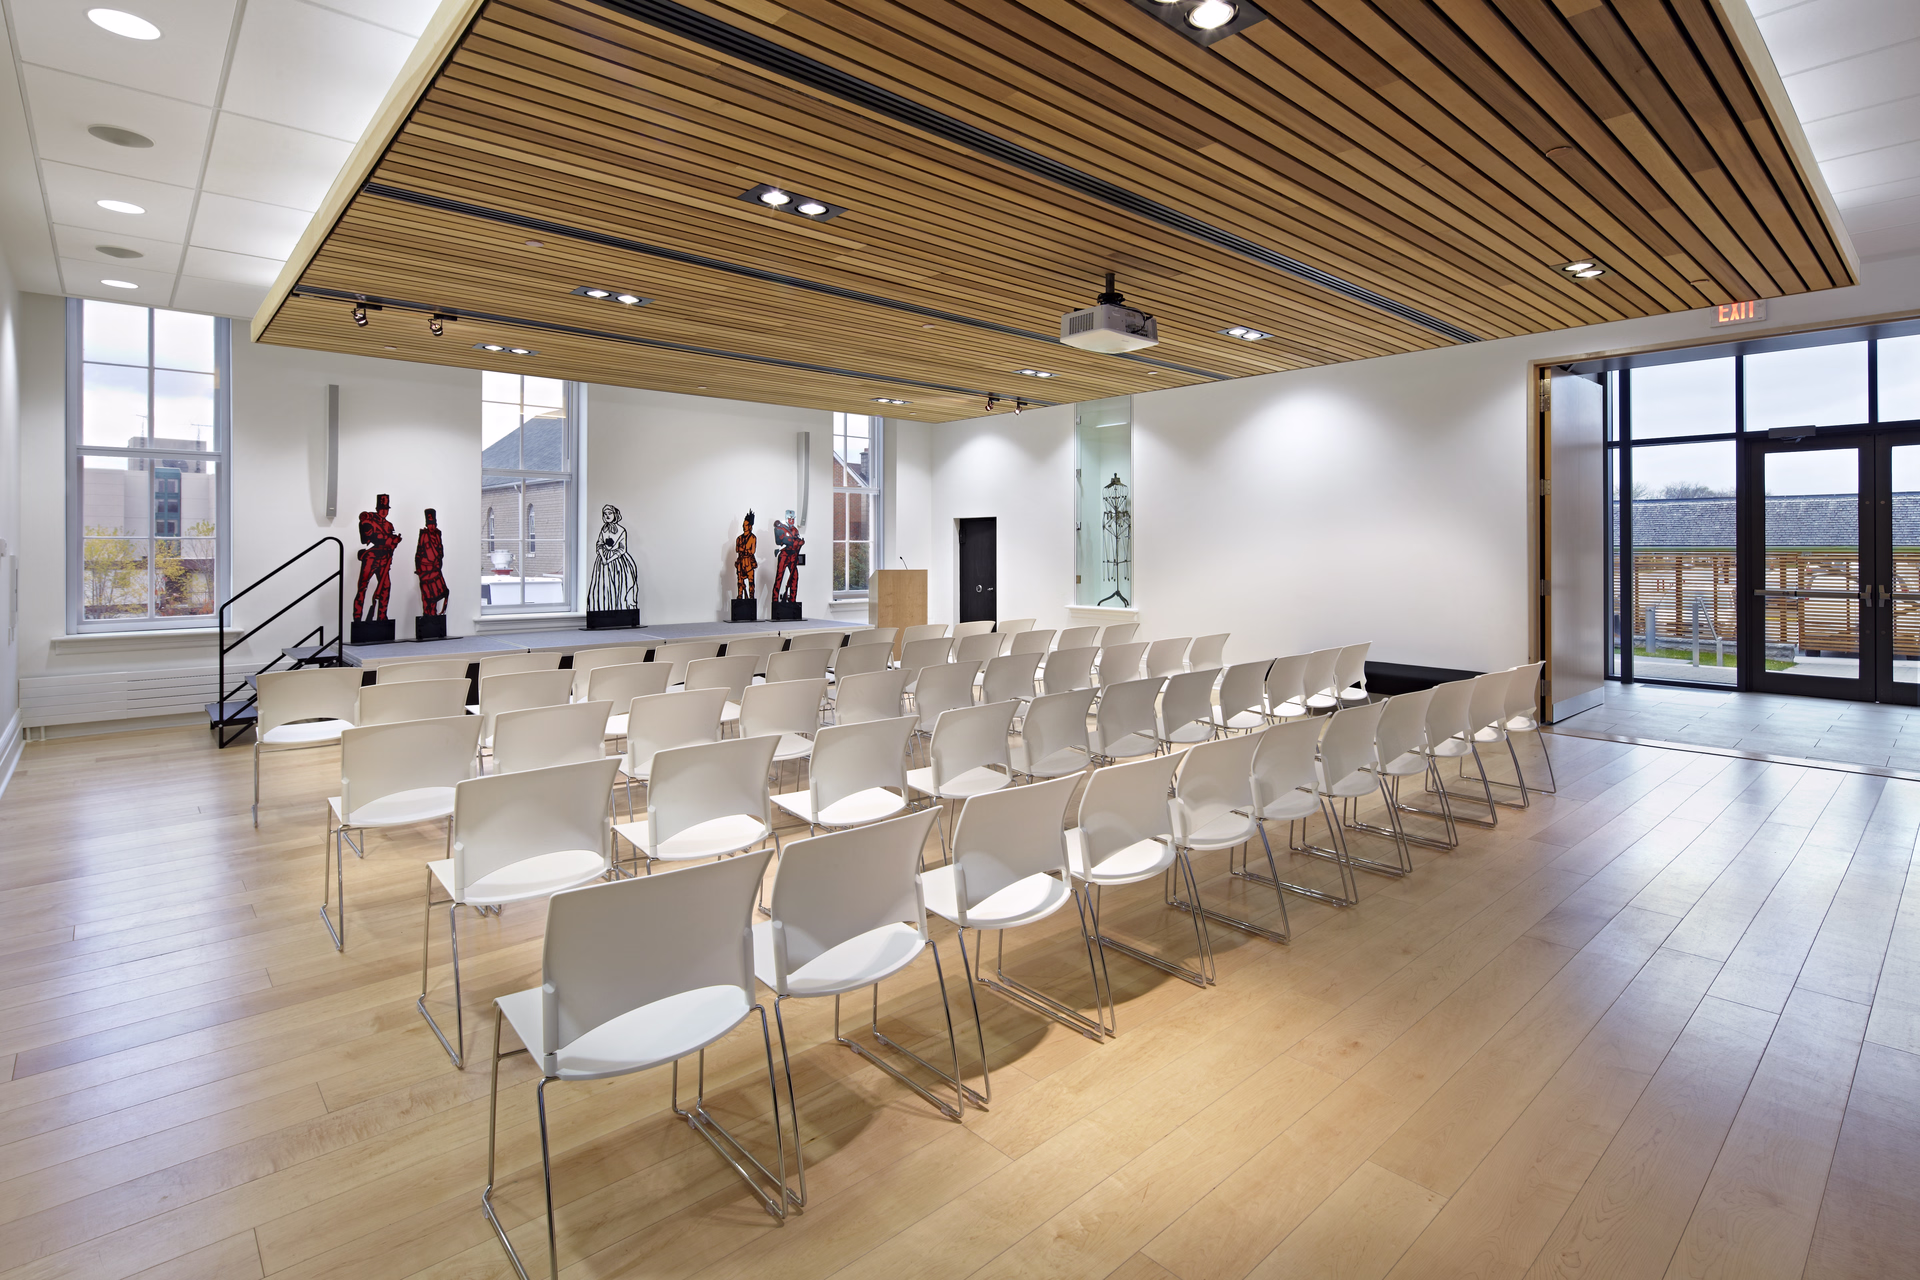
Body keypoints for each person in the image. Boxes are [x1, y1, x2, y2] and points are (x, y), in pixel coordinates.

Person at [354, 494, 402, 622]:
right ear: (377, 509)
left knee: (386, 587)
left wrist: (394, 541)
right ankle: (358, 617)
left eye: (386, 509)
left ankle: (382, 617)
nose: (384, 511)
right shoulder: (370, 520)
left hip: (384, 559)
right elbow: (369, 536)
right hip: (371, 558)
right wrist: (389, 540)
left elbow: (390, 541)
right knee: (362, 586)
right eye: (381, 508)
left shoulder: (389, 525)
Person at [414, 508, 448, 617]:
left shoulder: (438, 535)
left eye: (433, 524)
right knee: (426, 595)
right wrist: (419, 568)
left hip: (434, 569)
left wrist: (438, 564)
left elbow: (441, 551)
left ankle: (433, 614)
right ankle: (427, 614)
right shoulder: (423, 535)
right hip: (425, 570)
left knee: (435, 595)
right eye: (430, 524)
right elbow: (419, 552)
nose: (431, 526)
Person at [772, 511, 803, 603]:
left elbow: (796, 540)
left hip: (793, 555)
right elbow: (780, 540)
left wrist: (799, 542)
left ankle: (792, 600)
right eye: (790, 518)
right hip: (784, 554)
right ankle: (775, 600)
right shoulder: (781, 528)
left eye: (793, 518)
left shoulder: (795, 530)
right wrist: (794, 541)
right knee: (779, 577)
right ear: (786, 519)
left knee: (795, 576)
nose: (791, 520)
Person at [734, 510, 757, 599]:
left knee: (751, 581)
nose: (744, 527)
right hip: (741, 562)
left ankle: (751, 596)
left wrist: (743, 550)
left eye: (746, 525)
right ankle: (740, 595)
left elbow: (752, 551)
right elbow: (737, 549)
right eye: (744, 525)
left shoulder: (753, 538)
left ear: (750, 526)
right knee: (740, 581)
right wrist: (744, 550)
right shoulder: (739, 538)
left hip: (749, 562)